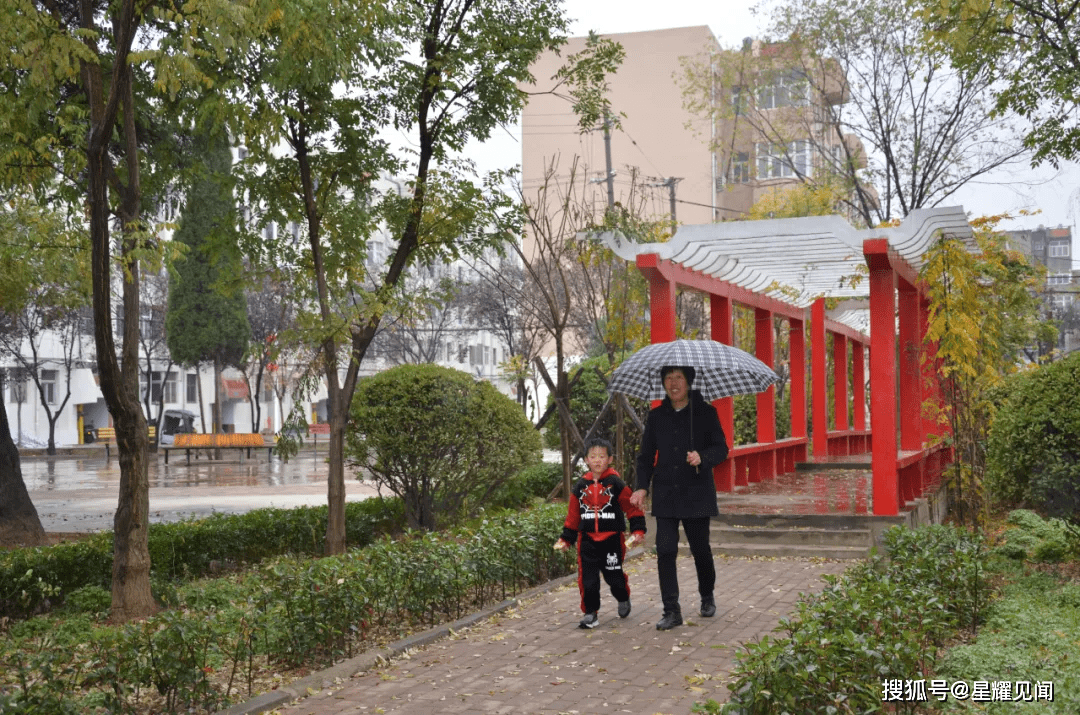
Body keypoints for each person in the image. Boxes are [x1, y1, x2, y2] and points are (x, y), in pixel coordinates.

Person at [630, 365, 729, 631]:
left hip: (697, 492)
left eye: (679, 378)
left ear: (689, 382)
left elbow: (722, 448)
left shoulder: (706, 413)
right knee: (665, 551)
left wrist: (703, 457)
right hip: (666, 493)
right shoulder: (656, 416)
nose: (673, 384)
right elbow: (645, 457)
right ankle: (671, 610)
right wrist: (641, 487)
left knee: (700, 550)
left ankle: (706, 595)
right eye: (668, 378)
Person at [555, 437, 647, 629]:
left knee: (614, 578)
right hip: (587, 541)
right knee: (587, 579)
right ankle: (590, 613)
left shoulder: (616, 483)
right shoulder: (580, 486)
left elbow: (632, 507)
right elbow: (573, 516)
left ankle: (623, 597)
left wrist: (638, 529)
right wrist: (566, 538)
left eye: (602, 456)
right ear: (586, 460)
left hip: (612, 540)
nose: (597, 460)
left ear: (610, 459)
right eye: (593, 456)